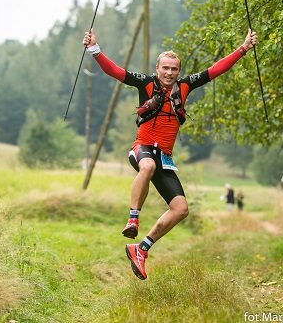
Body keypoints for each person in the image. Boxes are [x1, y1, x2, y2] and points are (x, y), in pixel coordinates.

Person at [82, 28, 258, 280]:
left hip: (164, 156)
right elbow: (115, 71)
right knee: (148, 167)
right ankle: (133, 219)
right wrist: (94, 49)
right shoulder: (145, 83)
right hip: (141, 149)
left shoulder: (185, 86)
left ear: (178, 71)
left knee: (181, 209)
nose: (169, 73)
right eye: (165, 68)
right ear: (157, 68)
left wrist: (243, 49)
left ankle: (141, 249)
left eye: (174, 69)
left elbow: (216, 69)